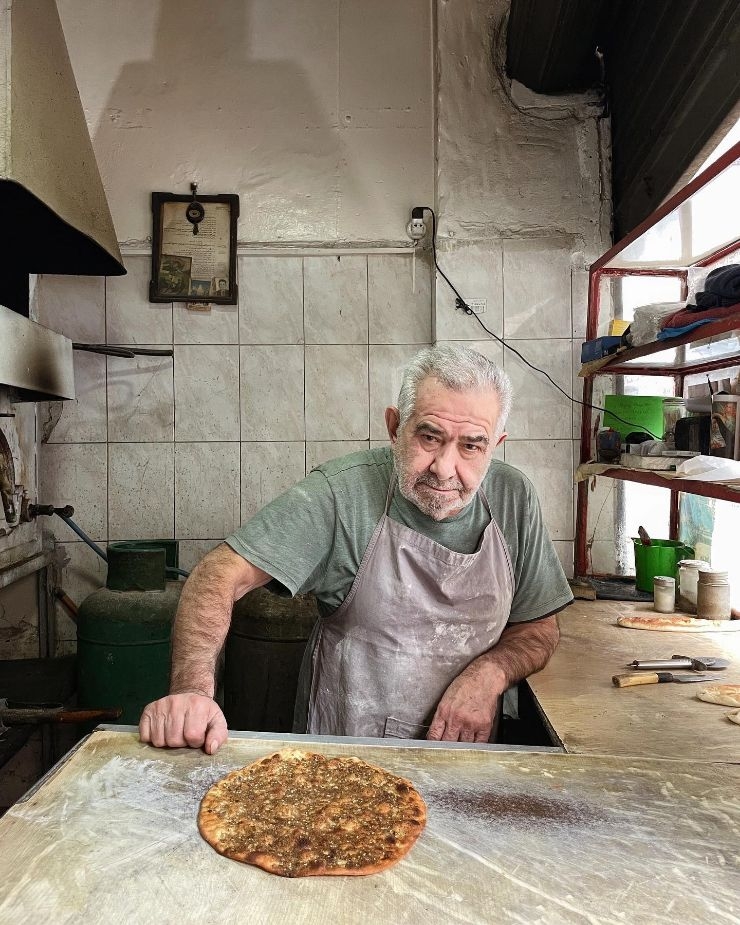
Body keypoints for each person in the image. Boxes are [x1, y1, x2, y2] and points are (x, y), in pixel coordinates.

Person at [139, 344, 573, 754]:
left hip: (463, 758)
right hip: (345, 759)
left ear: (495, 446)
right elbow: (218, 573)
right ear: (394, 428)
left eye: (471, 446)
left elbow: (539, 629)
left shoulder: (514, 498)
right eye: (429, 437)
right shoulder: (339, 495)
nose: (444, 468)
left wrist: (490, 674)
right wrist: (191, 693)